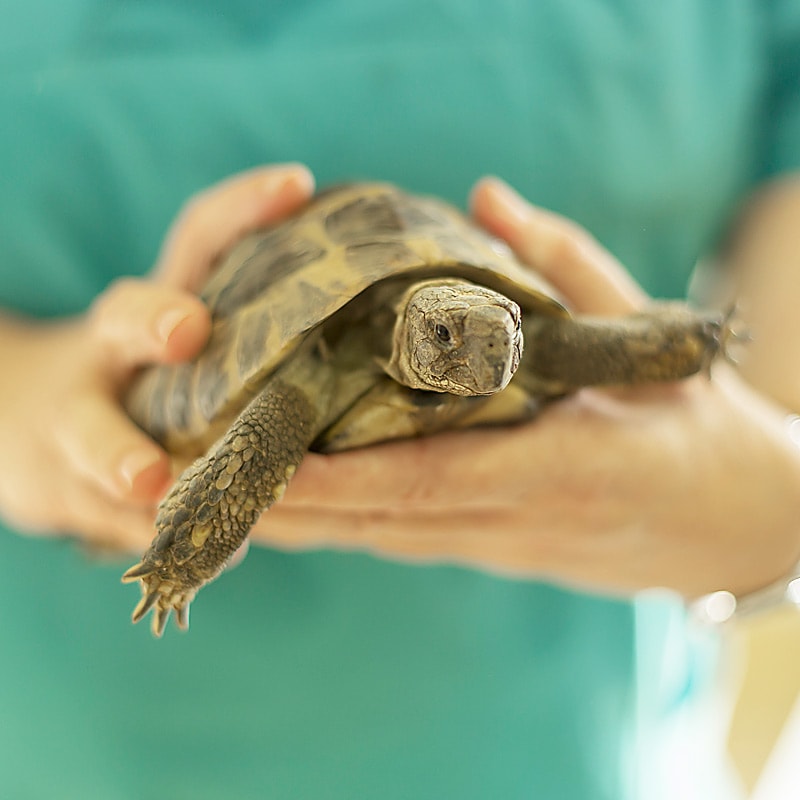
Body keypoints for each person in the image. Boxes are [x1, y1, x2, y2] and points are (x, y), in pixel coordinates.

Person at [1, 2, 799, 797]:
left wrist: (768, 496)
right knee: (264, 432)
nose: (486, 356)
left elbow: (691, 379)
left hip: (573, 746)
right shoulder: (299, 384)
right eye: (452, 338)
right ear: (411, 332)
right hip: (89, 736)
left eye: (503, 336)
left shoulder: (529, 348)